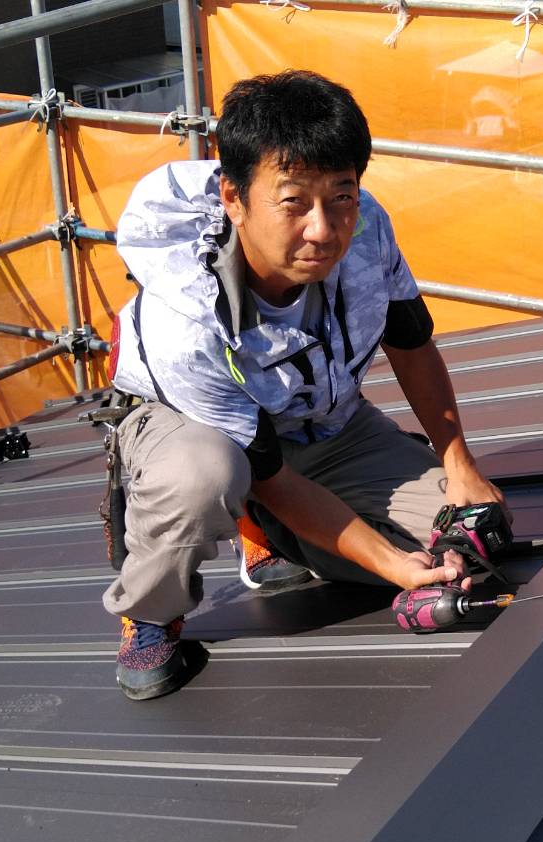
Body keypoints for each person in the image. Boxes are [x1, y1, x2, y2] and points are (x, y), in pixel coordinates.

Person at [101, 70, 505, 700]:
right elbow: (270, 475)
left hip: (322, 420)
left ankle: (273, 532)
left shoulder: (366, 226)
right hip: (196, 431)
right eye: (293, 203)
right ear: (234, 199)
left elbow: (411, 343)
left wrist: (461, 467)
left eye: (341, 195)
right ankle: (151, 609)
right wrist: (392, 565)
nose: (323, 228)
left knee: (466, 539)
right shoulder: (186, 317)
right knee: (204, 478)